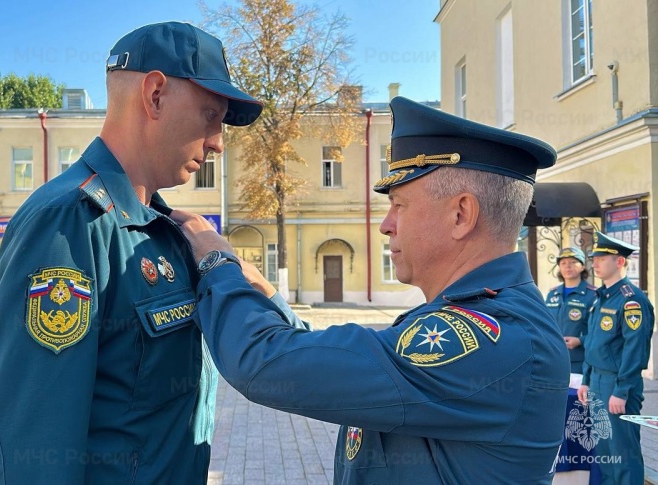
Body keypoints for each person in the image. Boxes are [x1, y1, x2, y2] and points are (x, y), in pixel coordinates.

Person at [170, 96, 570, 483]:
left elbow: (263, 363)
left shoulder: (492, 338)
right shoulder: (476, 318)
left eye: (400, 205)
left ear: (461, 215)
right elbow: (357, 365)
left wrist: (216, 261)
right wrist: (268, 296)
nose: (386, 225)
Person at [0, 22, 268, 484]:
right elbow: (29, 437)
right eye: (211, 116)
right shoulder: (70, 223)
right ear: (154, 95)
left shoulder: (163, 229)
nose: (217, 143)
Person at [578, 231, 655, 484]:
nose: (595, 263)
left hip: (617, 384)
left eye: (602, 258)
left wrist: (622, 391)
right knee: (605, 453)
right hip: (598, 381)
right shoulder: (600, 298)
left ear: (620, 261)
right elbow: (593, 342)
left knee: (622, 453)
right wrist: (587, 380)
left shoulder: (632, 300)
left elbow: (636, 349)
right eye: (594, 258)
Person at [545, 247, 596, 376]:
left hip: (581, 363)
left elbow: (599, 331)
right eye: (563, 263)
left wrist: (581, 341)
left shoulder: (593, 294)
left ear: (583, 266)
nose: (568, 267)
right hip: (554, 361)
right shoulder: (552, 294)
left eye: (573, 262)